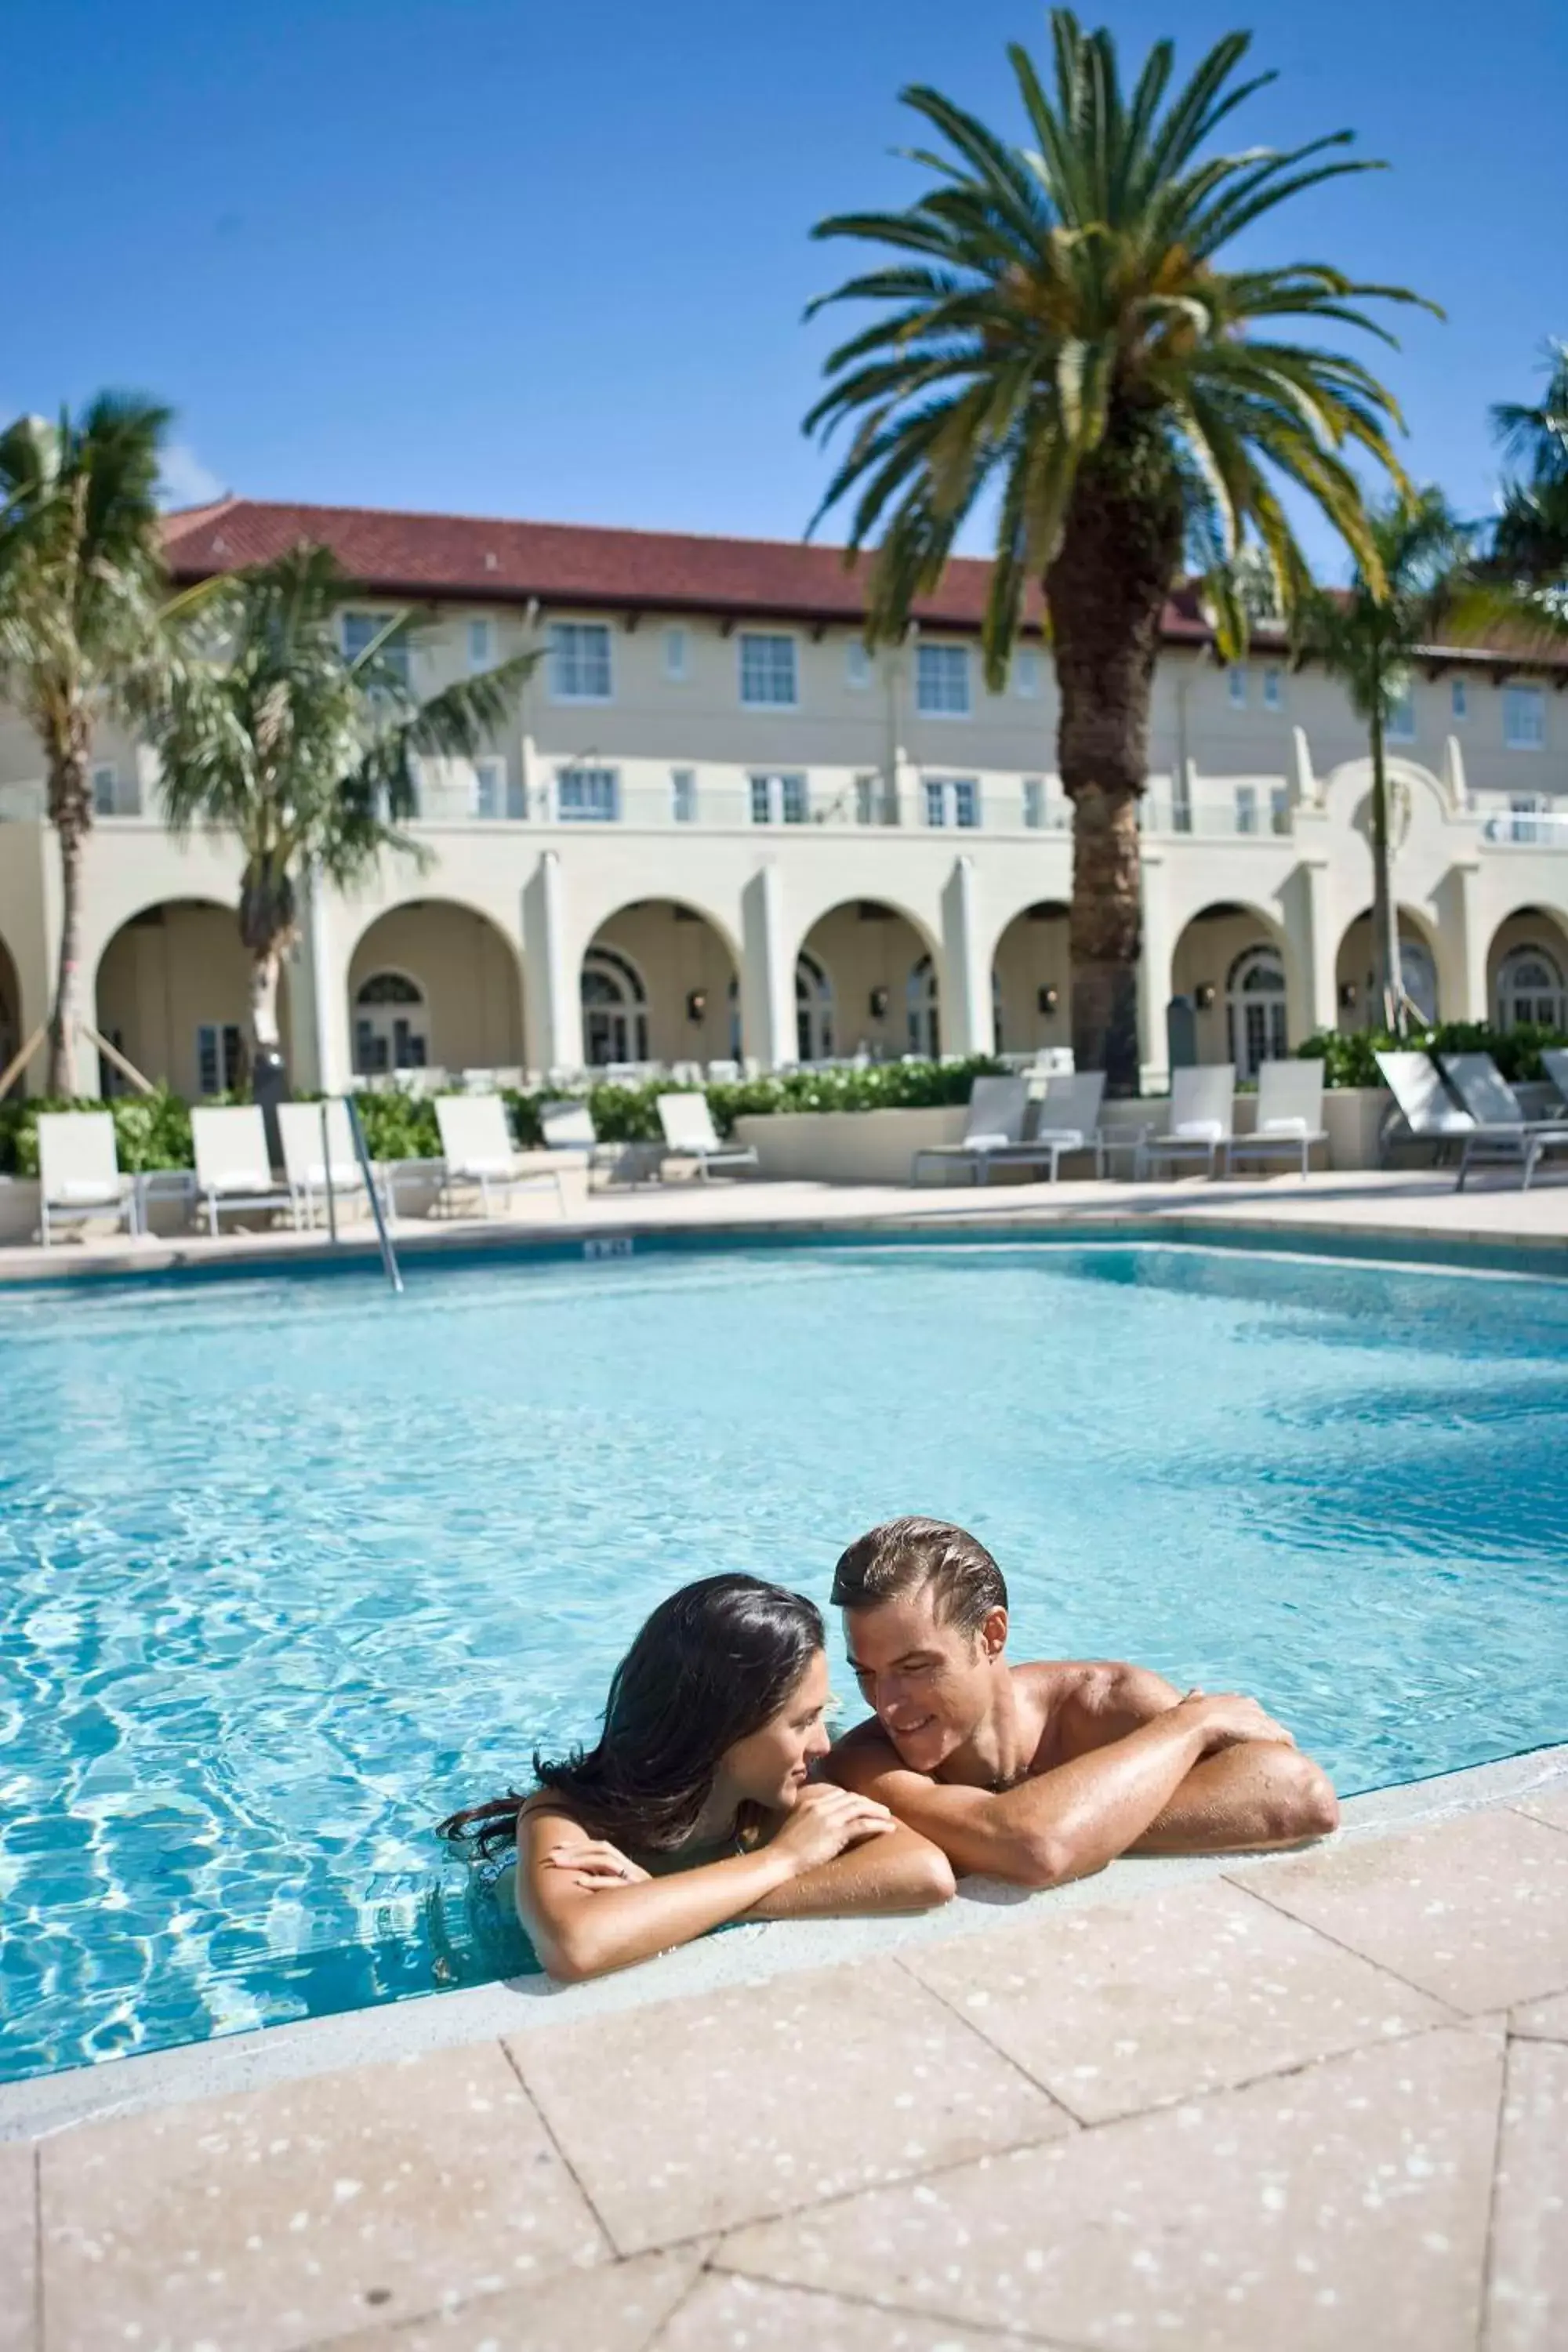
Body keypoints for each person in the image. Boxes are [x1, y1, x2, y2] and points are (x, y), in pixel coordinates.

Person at [438, 1573, 955, 1981]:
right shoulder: (564, 1818)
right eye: (802, 1721)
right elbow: (575, 1946)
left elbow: (924, 1872)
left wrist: (677, 1905)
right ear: (726, 1729)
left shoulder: (779, 1795)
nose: (822, 1743)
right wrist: (784, 1859)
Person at [826, 1517, 1339, 1886]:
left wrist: (1050, 1828)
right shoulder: (864, 1760)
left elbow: (1301, 1794)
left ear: (992, 1635)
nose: (885, 1705)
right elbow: (1037, 1847)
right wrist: (1185, 1730)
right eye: (866, 1674)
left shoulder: (1106, 1703)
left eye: (915, 1668)